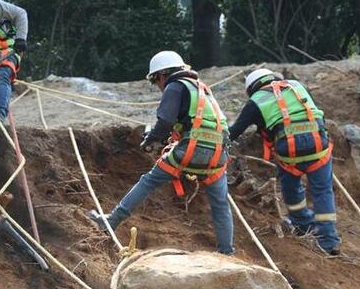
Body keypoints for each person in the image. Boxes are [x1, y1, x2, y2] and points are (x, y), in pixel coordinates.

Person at [89, 51, 235, 254]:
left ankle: (112, 221)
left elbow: (165, 121)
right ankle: (227, 251)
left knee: (149, 181)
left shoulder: (175, 86)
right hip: (219, 154)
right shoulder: (202, 89)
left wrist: (151, 140)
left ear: (162, 75)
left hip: (191, 150)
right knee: (220, 203)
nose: (158, 86)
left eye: (155, 81)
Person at [229, 69, 340, 255]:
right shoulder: (297, 87)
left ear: (251, 88)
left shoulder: (255, 101)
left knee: (291, 187)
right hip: (318, 147)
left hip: (290, 154)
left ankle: (303, 224)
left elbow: (235, 131)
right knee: (322, 190)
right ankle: (328, 241)